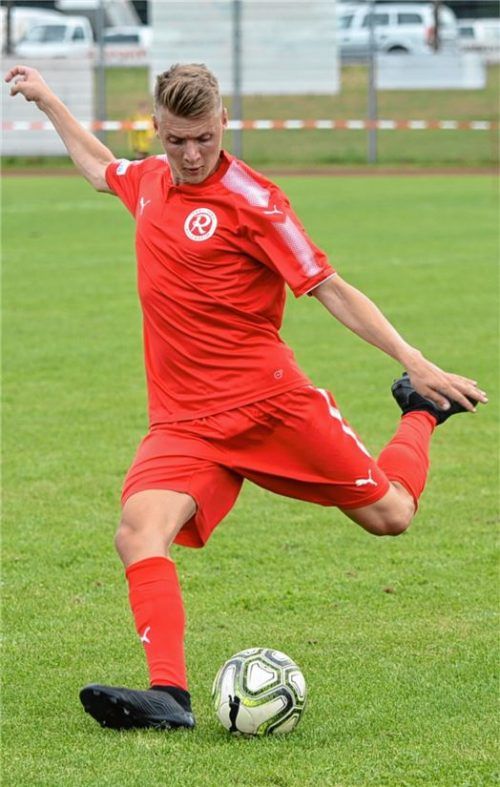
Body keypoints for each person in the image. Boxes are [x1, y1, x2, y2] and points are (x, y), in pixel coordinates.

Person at [5, 62, 487, 733]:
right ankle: (169, 696)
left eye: (202, 137)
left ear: (223, 123)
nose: (191, 154)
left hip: (270, 407)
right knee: (138, 531)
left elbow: (330, 288)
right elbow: (99, 166)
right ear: (159, 131)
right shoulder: (148, 182)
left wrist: (415, 360)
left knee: (392, 515)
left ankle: (420, 413)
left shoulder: (255, 201)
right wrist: (49, 98)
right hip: (182, 421)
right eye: (176, 140)